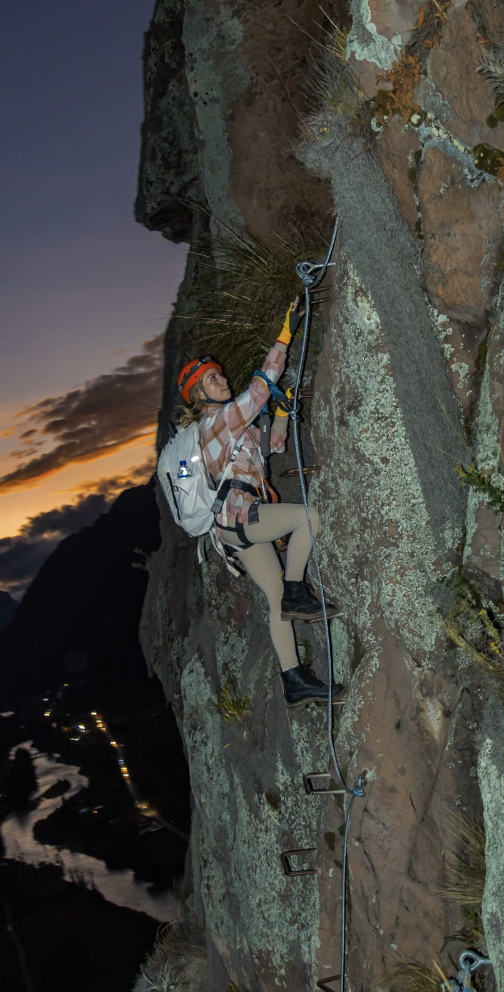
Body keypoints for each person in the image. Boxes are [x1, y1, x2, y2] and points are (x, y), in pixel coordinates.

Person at [176, 302, 343, 708]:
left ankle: (294, 681)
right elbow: (260, 386)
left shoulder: (232, 428)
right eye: (212, 378)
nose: (222, 378)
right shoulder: (217, 422)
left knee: (274, 601)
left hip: (232, 530)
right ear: (199, 395)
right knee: (308, 518)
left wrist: (282, 415)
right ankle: (296, 590)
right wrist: (284, 336)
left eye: (219, 374)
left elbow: (273, 446)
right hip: (240, 517)